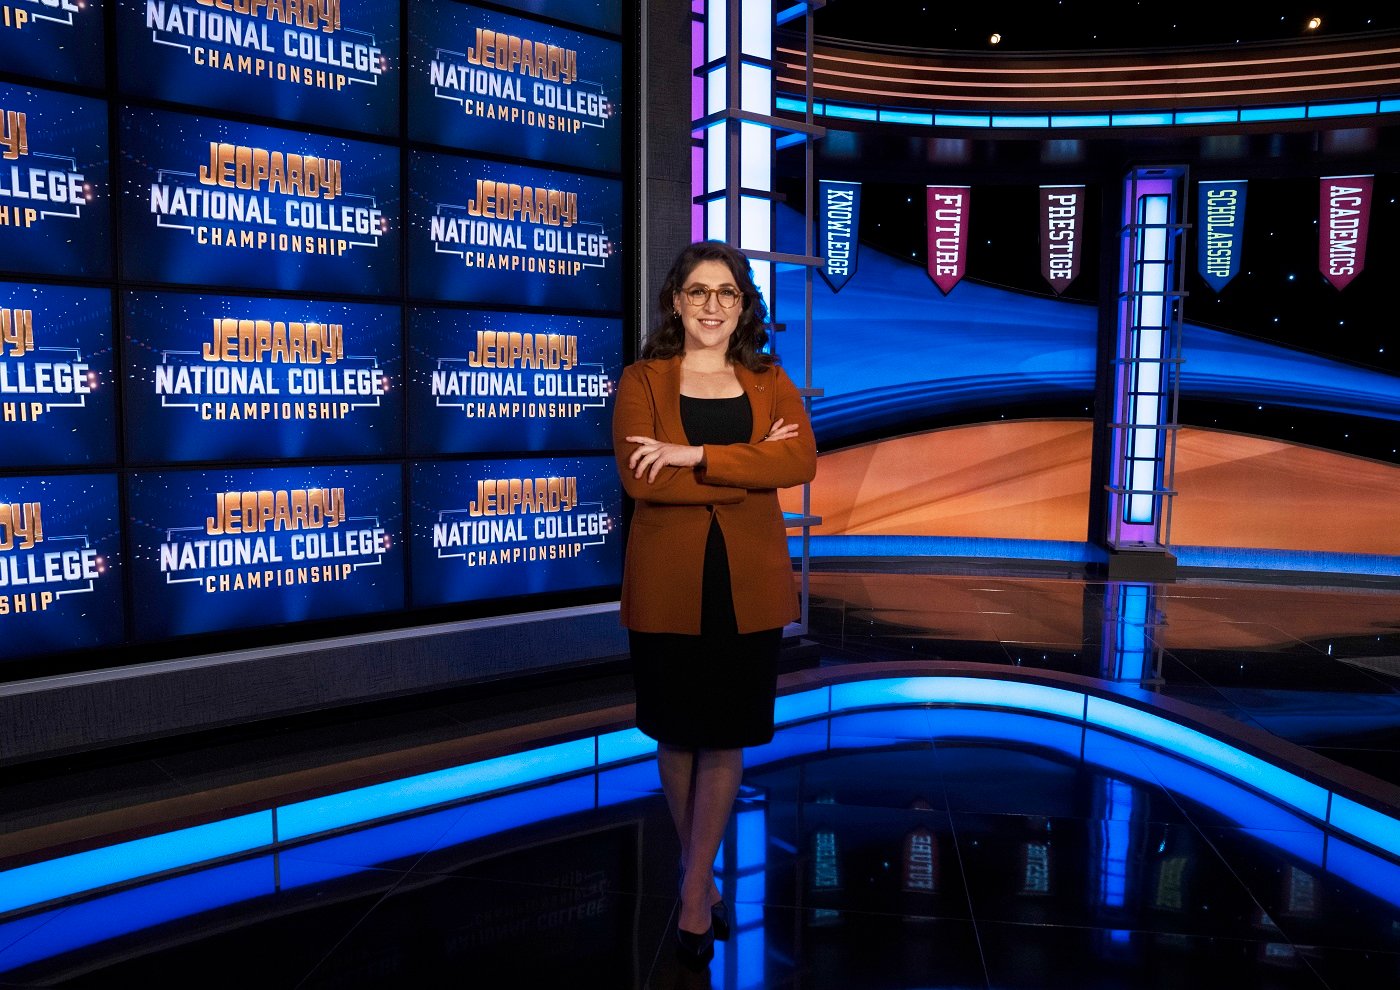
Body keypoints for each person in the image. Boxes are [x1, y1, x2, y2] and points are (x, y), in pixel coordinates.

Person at [612, 241, 817, 968]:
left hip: (747, 581)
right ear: (676, 301)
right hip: (668, 581)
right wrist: (745, 471)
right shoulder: (643, 379)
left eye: (726, 293)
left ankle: (694, 885)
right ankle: (700, 873)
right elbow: (643, 481)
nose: (710, 305)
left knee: (725, 737)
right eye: (697, 291)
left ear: (743, 305)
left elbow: (800, 461)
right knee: (676, 735)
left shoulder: (766, 379)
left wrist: (693, 456)